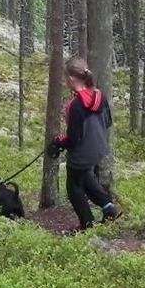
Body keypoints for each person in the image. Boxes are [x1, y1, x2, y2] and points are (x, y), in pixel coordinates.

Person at [51, 57, 123, 231]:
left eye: (65, 77)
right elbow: (108, 123)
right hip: (98, 148)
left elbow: (73, 139)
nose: (64, 81)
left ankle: (87, 226)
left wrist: (58, 142)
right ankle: (109, 208)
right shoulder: (100, 96)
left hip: (82, 154)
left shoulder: (75, 105)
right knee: (85, 178)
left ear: (72, 79)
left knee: (74, 188)